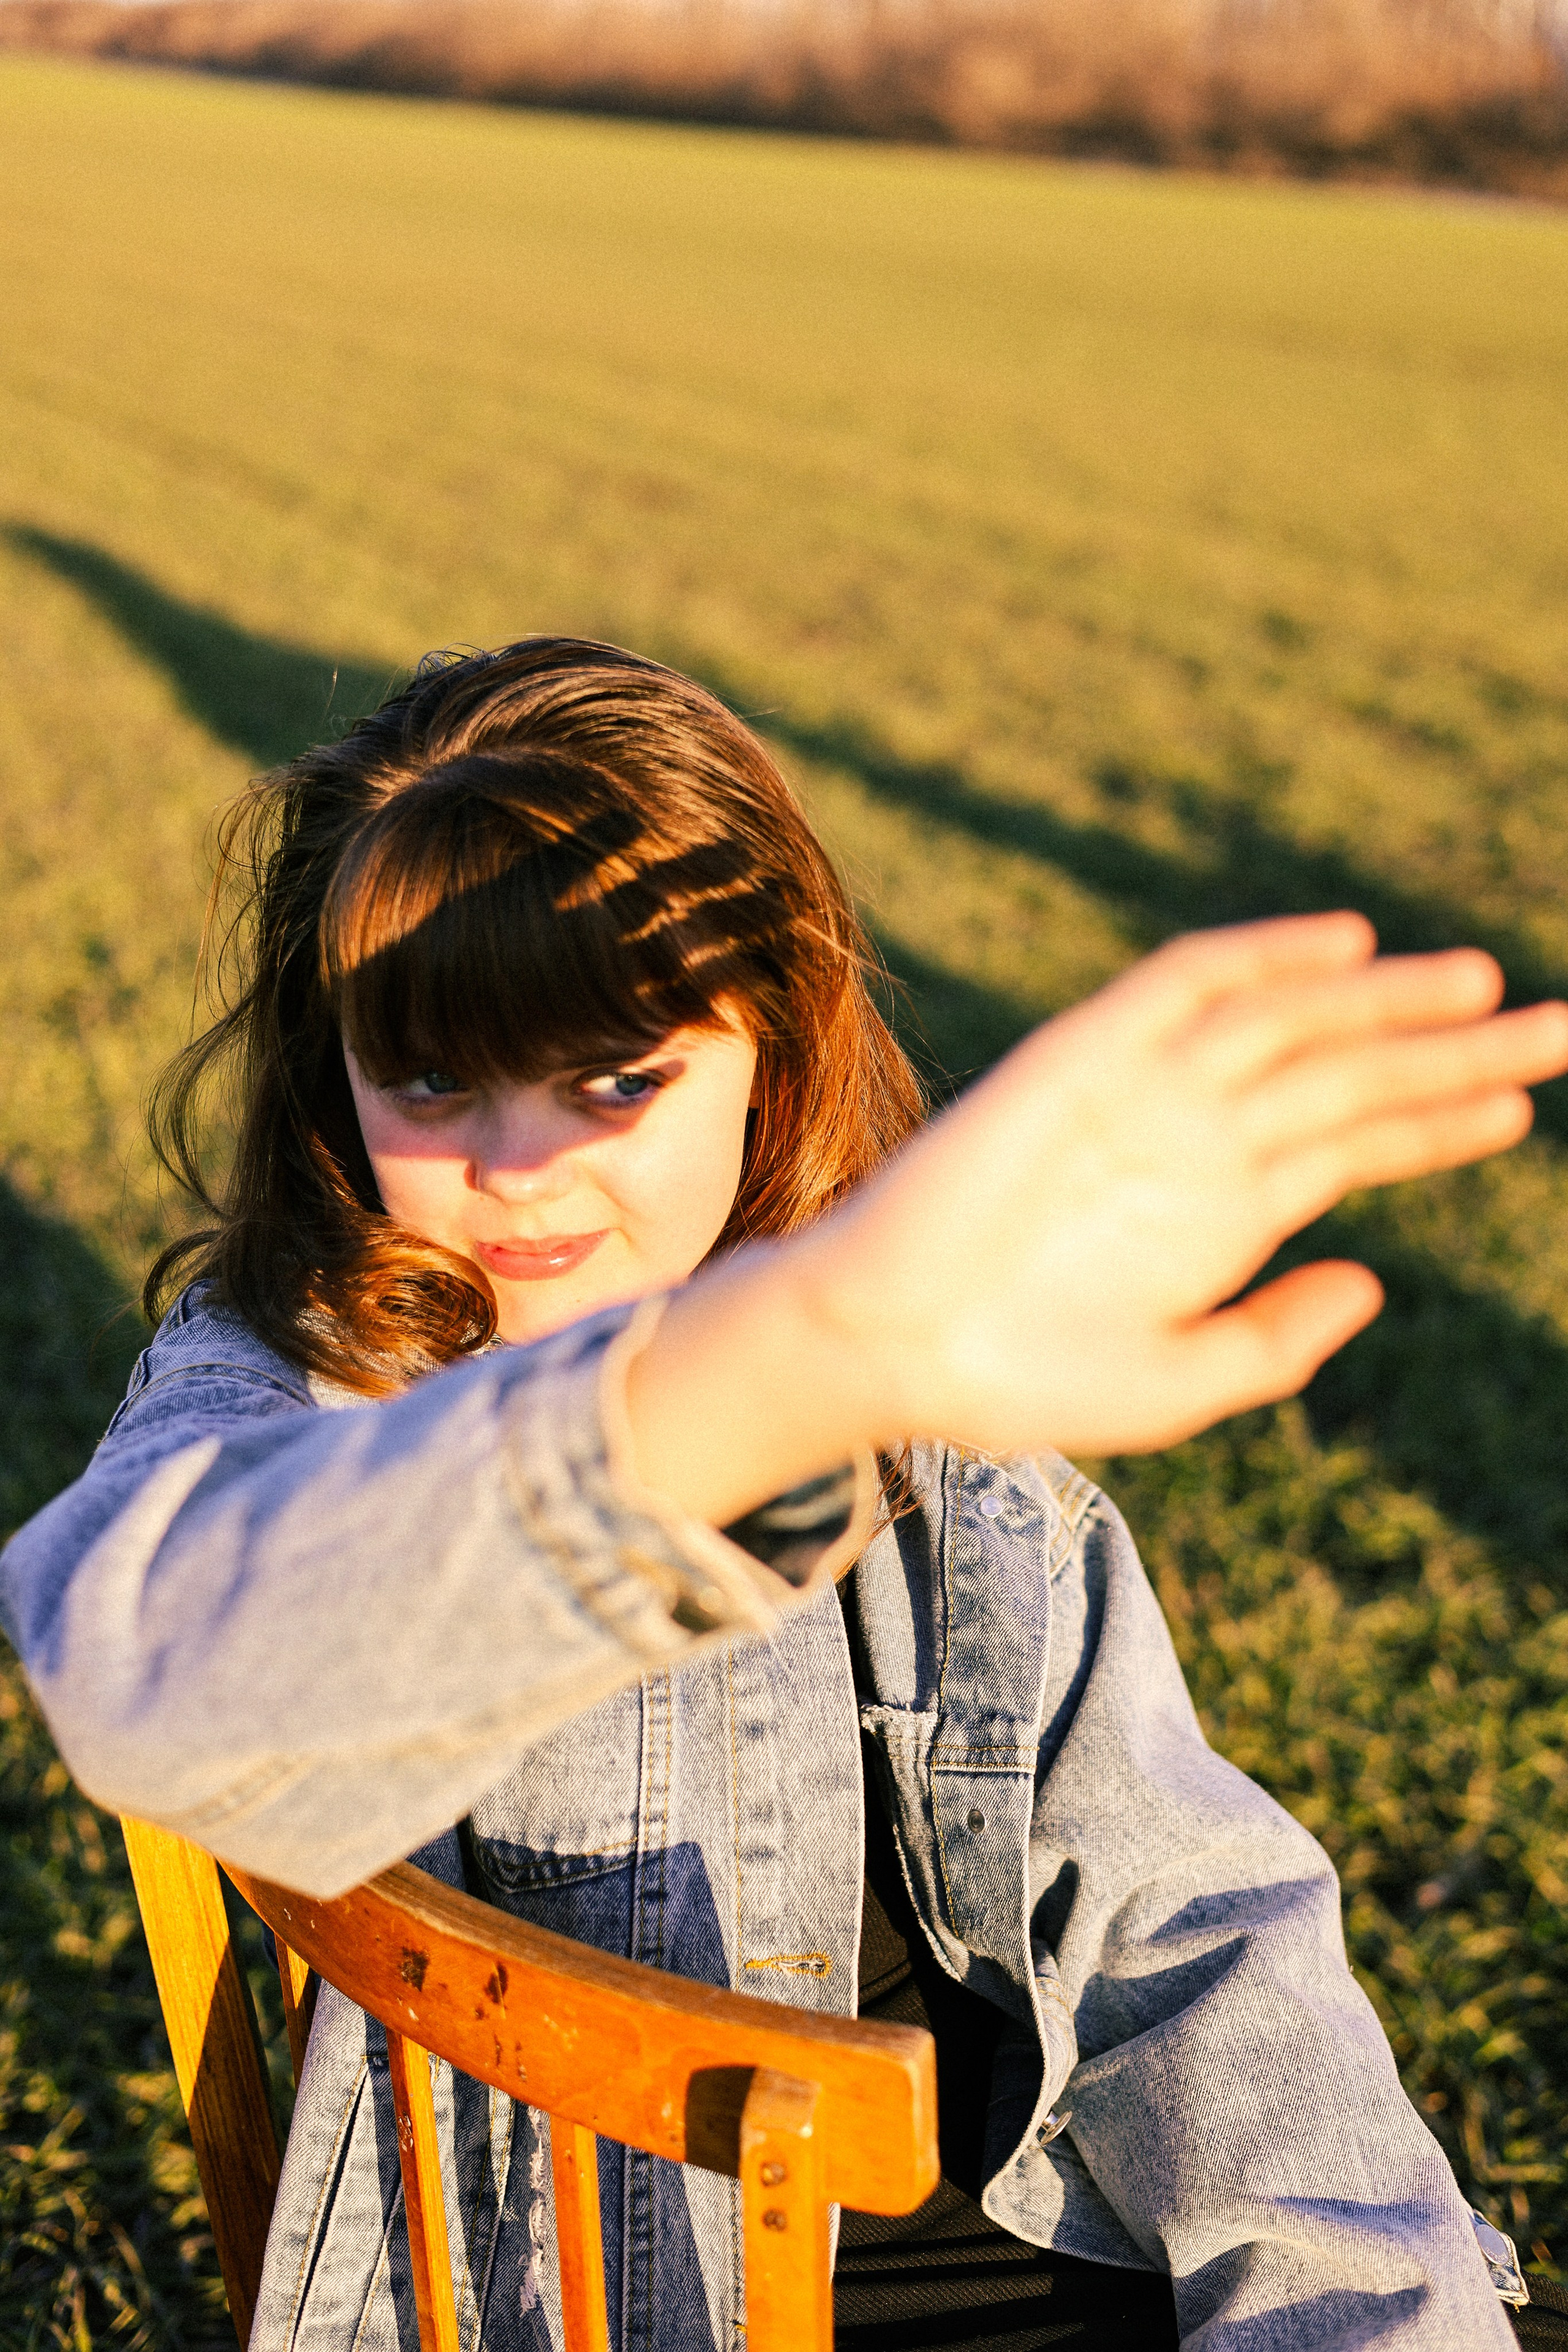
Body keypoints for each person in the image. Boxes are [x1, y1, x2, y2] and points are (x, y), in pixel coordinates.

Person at [3, 637, 1564, 2352]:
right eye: (432, 1079)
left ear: (776, 1054)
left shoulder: (913, 1342)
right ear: (337, 1065)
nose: (519, 1169)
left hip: (1057, 2245)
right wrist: (788, 1359)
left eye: (615, 1077)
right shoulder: (302, 1368)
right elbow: (141, 1665)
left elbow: (1190, 1933)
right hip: (610, 2293)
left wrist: (1368, 2310)